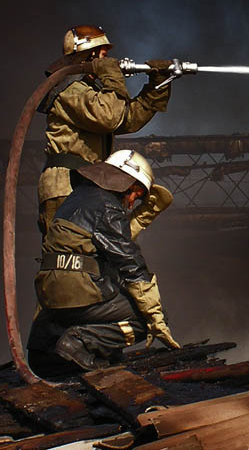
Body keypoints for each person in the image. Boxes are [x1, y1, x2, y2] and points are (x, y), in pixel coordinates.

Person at [27, 149, 179, 376]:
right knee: (142, 318)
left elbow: (110, 239)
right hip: (78, 291)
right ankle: (80, 342)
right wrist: (156, 318)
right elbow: (130, 263)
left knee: (105, 287)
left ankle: (58, 351)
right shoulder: (107, 206)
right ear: (125, 181)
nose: (132, 201)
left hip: (50, 294)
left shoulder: (77, 199)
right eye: (136, 193)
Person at [37, 25, 173, 235]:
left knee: (93, 255)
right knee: (71, 252)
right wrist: (112, 77)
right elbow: (110, 116)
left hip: (85, 184)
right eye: (103, 54)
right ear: (88, 54)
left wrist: (158, 86)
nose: (107, 59)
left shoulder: (91, 93)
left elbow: (126, 119)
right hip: (66, 186)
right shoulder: (69, 90)